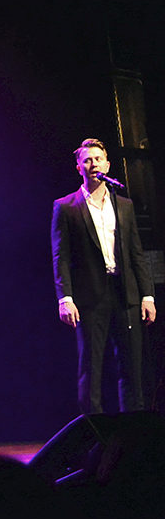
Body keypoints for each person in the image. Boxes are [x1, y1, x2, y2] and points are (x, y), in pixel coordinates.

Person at [51, 138, 155, 413]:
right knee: (91, 365)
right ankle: (93, 429)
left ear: (107, 165)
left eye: (98, 159)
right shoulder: (66, 206)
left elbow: (136, 252)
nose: (93, 164)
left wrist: (147, 295)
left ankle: (133, 428)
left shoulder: (124, 205)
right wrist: (65, 298)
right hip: (89, 296)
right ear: (79, 167)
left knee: (131, 366)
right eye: (87, 160)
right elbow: (60, 256)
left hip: (124, 291)